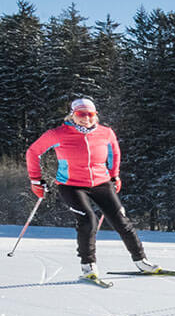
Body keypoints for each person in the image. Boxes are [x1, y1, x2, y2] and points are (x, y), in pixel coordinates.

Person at [26, 97, 159, 284]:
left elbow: (114, 152)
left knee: (121, 221)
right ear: (72, 115)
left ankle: (141, 261)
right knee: (89, 220)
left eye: (90, 114)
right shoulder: (57, 134)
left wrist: (114, 175)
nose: (86, 118)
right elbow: (33, 152)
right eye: (81, 114)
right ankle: (88, 266)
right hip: (71, 185)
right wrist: (36, 180)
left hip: (101, 183)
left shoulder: (106, 133)